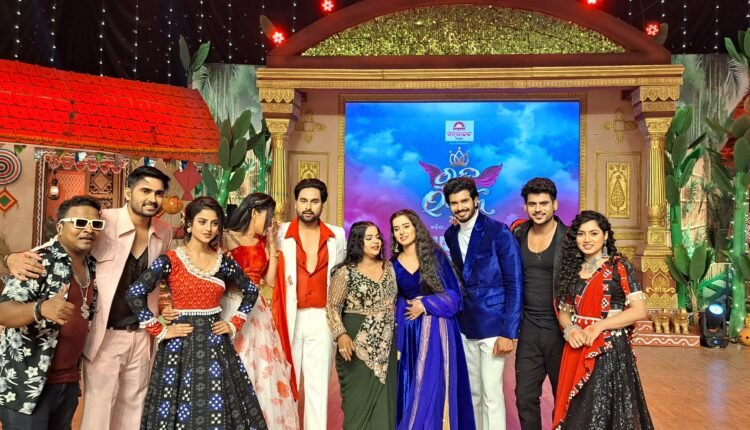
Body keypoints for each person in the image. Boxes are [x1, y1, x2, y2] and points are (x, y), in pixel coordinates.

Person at [5, 166, 174, 430]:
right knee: (99, 410)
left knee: (135, 406)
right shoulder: (102, 220)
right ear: (128, 192)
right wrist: (11, 258)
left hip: (142, 332)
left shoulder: (165, 231)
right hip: (105, 332)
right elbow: (61, 241)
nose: (152, 199)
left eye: (158, 193)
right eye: (145, 191)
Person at [126, 196, 267, 429]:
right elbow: (135, 293)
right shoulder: (170, 260)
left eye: (214, 223)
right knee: (178, 406)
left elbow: (251, 291)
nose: (209, 229)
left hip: (215, 344)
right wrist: (159, 329)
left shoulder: (223, 262)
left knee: (216, 405)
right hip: (179, 346)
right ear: (189, 224)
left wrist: (234, 323)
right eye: (202, 222)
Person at [0, 196, 103, 429]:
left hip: (68, 382)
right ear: (60, 228)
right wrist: (40, 308)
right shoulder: (39, 260)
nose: (88, 230)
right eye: (79, 223)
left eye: (96, 224)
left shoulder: (93, 266)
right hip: (27, 385)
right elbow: (3, 310)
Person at [552, 210, 653, 429]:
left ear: (605, 236)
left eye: (594, 233)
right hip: (577, 346)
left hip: (608, 349)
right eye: (581, 234)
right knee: (577, 411)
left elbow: (638, 311)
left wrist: (599, 326)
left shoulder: (619, 266)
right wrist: (570, 329)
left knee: (600, 411)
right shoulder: (571, 270)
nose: (587, 239)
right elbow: (565, 312)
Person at [443, 177, 523, 430]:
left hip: (493, 325)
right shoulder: (450, 234)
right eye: (454, 203)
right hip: (465, 324)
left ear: (476, 200)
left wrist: (509, 332)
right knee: (473, 394)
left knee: (491, 395)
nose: (460, 207)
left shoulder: (499, 232)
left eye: (464, 201)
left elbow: (514, 283)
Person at [390, 209, 475, 430]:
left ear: (416, 227)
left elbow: (454, 297)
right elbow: (395, 300)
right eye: (396, 229)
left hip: (438, 331)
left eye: (406, 226)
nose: (401, 232)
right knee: (411, 384)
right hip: (409, 333)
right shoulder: (393, 264)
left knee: (435, 387)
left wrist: (425, 304)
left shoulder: (435, 256)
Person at [221, 192, 298, 430]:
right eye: (268, 215)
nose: (270, 221)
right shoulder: (226, 237)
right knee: (237, 362)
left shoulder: (264, 242)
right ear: (254, 212)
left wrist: (272, 246)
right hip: (231, 305)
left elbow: (270, 281)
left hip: (258, 311)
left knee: (263, 368)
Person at [274, 178, 346, 430]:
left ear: (322, 204)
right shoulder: (280, 233)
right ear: (295, 202)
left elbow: (341, 276)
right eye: (303, 200)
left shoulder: (337, 235)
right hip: (289, 315)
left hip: (322, 318)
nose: (308, 206)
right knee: (285, 383)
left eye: (314, 201)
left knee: (318, 387)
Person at [326, 221, 398, 429]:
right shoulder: (345, 272)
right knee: (356, 404)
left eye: (377, 237)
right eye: (369, 238)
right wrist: (341, 335)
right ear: (358, 242)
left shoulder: (389, 267)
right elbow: (332, 307)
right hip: (355, 342)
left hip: (386, 343)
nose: (376, 241)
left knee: (385, 400)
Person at [511, 178, 567, 430]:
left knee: (562, 396)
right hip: (529, 327)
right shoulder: (518, 234)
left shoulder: (570, 239)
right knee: (524, 396)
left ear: (555, 204)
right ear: (525, 207)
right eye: (532, 204)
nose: (538, 209)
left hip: (560, 328)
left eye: (544, 203)